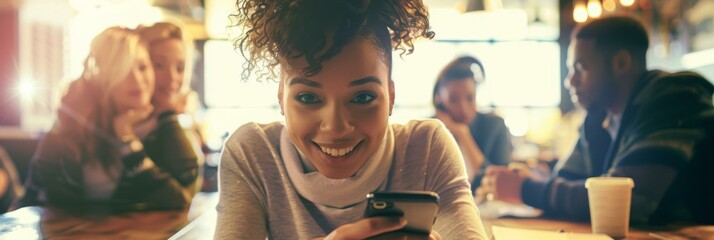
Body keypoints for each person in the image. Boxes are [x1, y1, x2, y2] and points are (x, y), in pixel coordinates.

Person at [215, 0, 488, 239]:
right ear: (281, 96)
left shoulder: (427, 148)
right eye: (308, 98)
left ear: (391, 96)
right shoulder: (253, 154)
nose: (335, 126)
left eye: (362, 98)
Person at [480, 16, 714, 225]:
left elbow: (625, 202)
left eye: (580, 68)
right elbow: (566, 179)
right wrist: (535, 178)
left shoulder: (674, 100)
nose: (570, 81)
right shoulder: (600, 116)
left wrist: (527, 189)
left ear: (621, 63)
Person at [12, 27, 200, 212]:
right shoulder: (72, 124)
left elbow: (178, 198)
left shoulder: (156, 128)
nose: (137, 79)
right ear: (103, 76)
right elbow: (36, 197)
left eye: (142, 67)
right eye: (123, 70)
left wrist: (127, 140)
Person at [138, 22, 206, 191]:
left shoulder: (177, 122)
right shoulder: (124, 127)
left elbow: (190, 187)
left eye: (180, 68)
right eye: (159, 65)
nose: (171, 78)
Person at [432, 56, 513, 190]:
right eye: (453, 100)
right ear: (439, 99)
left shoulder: (495, 125)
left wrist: (464, 135)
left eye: (470, 98)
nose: (463, 109)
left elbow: (501, 184)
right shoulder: (429, 128)